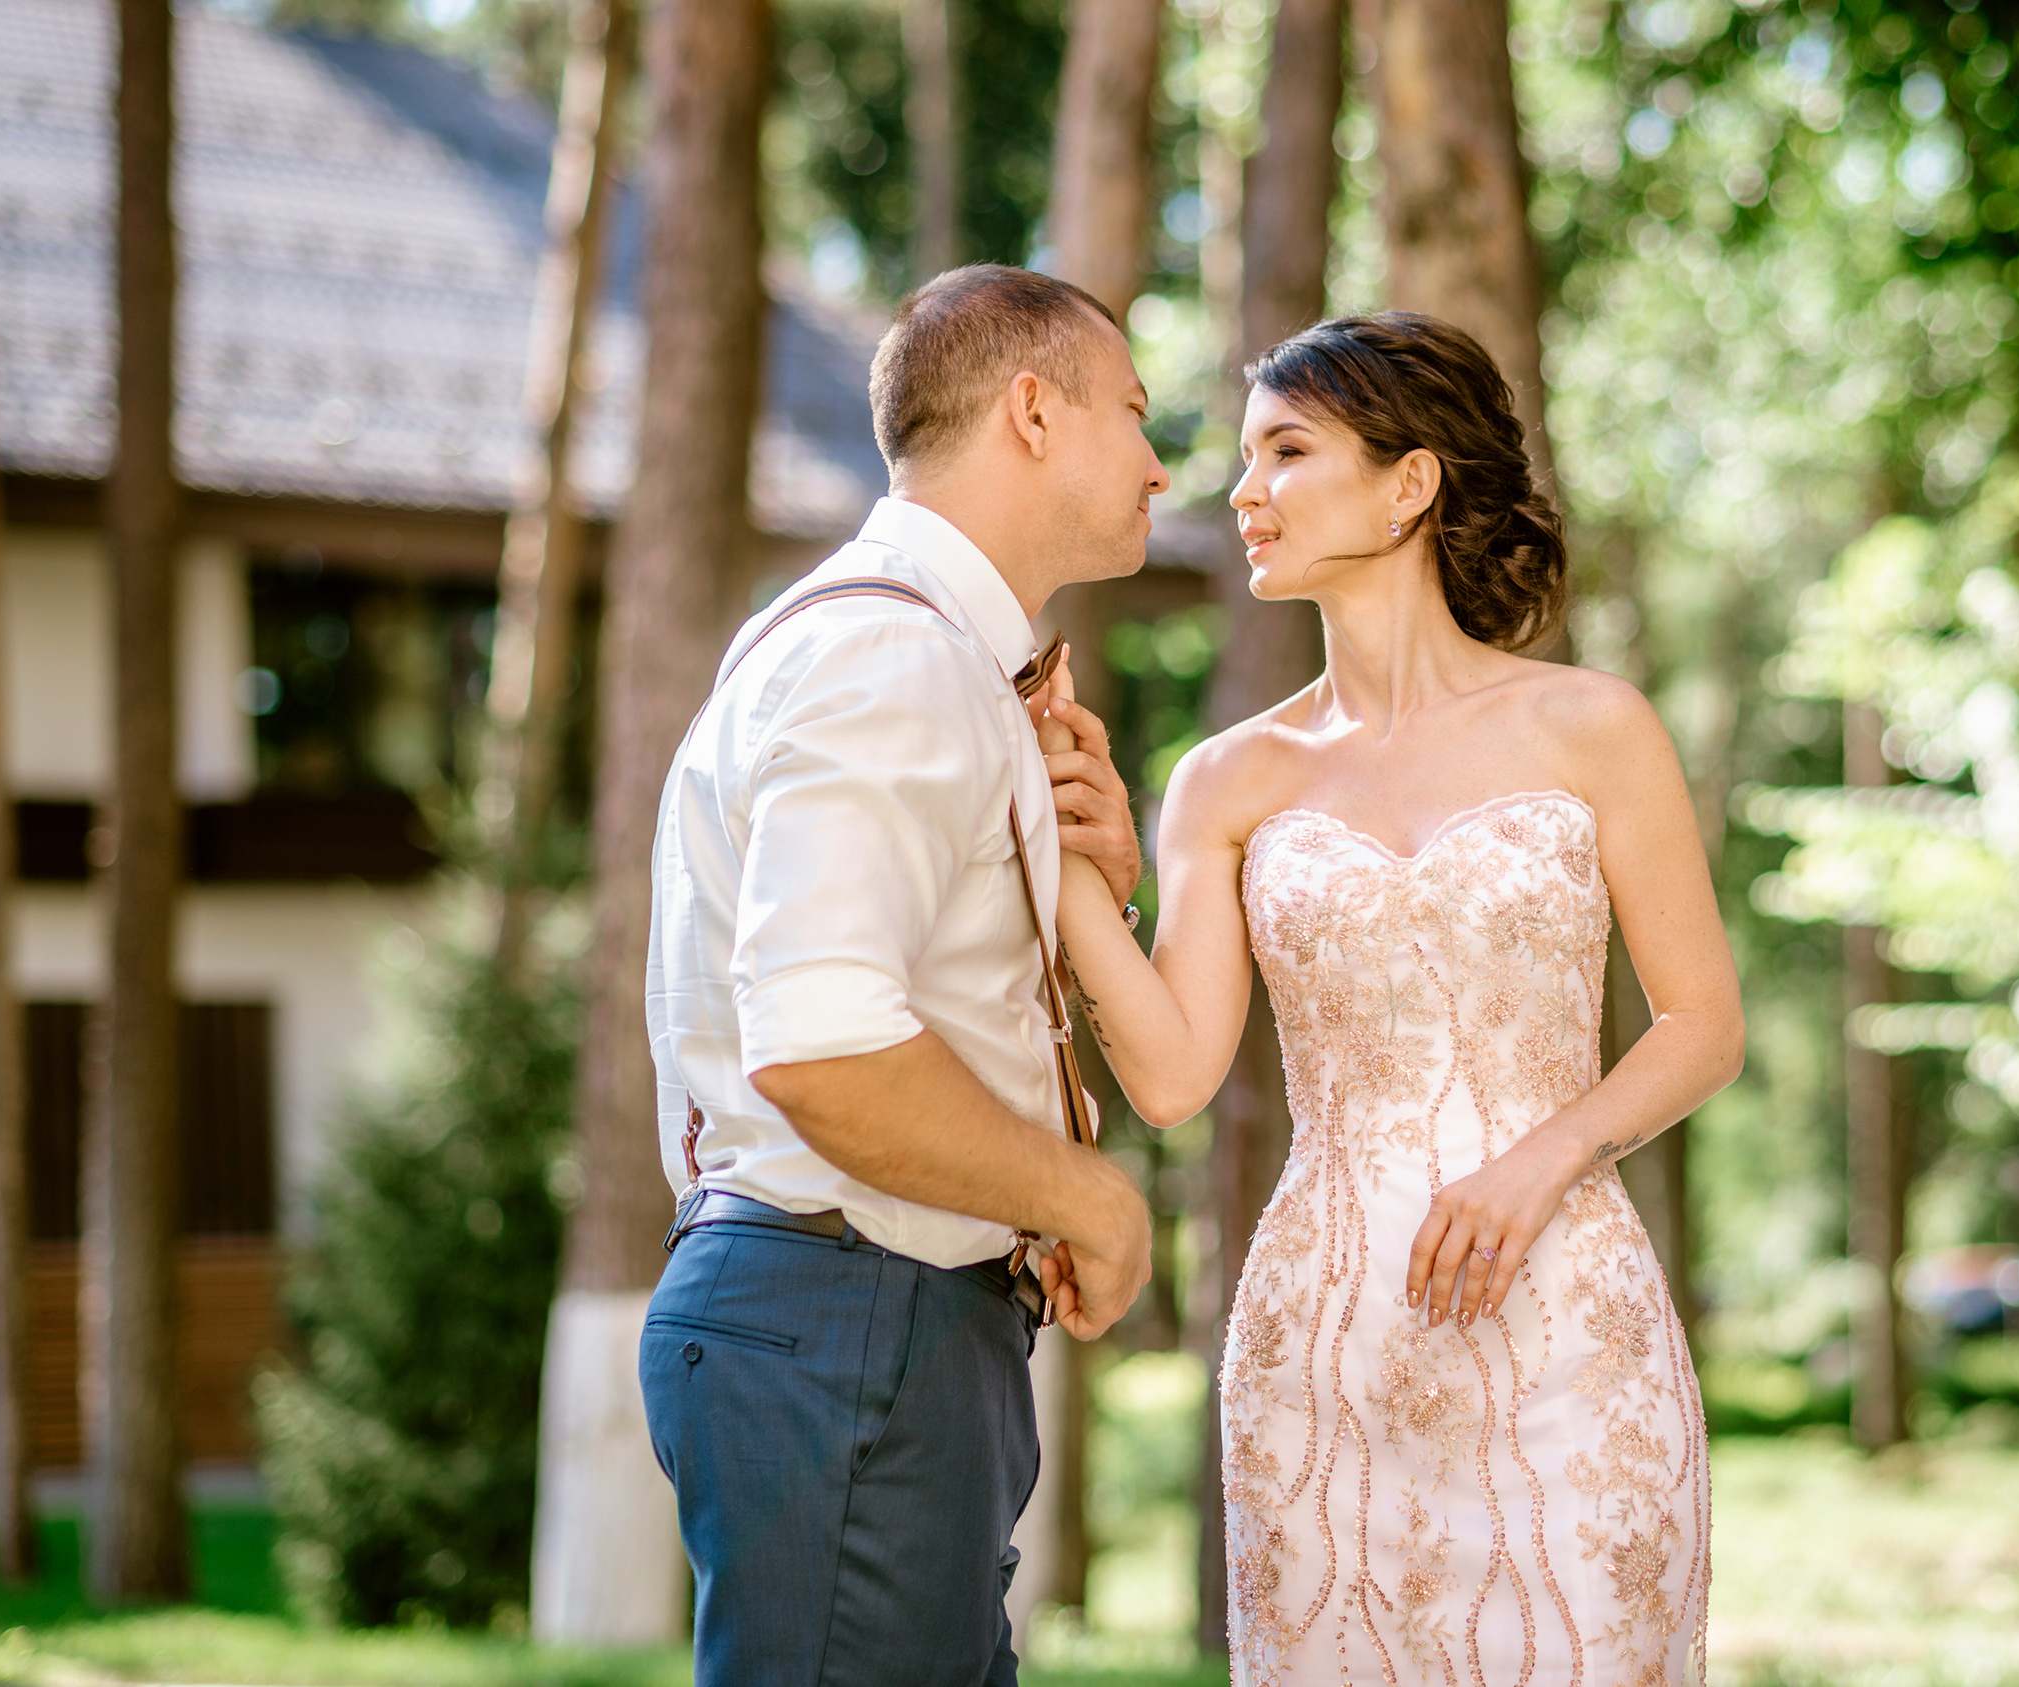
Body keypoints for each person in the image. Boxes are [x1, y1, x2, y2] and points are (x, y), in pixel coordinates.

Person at [1037, 312, 1745, 1684]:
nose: (1242, 493)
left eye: (1287, 452)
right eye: (1245, 460)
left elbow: (1703, 1023)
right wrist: (1071, 862)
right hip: (1327, 1347)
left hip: (1568, 1335)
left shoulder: (1592, 727)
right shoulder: (1227, 781)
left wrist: (1540, 1160)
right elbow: (1176, 1076)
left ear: (1411, 481)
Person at [638, 264, 1162, 1687]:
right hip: (849, 1322)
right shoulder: (893, 658)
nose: (1160, 460)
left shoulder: (899, 649)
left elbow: (915, 1000)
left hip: (874, 1324)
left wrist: (1092, 895)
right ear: (1036, 414)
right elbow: (822, 1046)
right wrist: (1086, 1197)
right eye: (1134, 411)